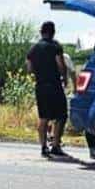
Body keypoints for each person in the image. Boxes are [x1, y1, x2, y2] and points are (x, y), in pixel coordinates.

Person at [25, 20, 72, 157]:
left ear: (41, 32)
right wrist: (64, 77)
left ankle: (43, 147)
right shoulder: (55, 46)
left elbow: (29, 68)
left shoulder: (33, 49)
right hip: (54, 85)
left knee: (43, 117)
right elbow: (61, 64)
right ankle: (56, 145)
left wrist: (38, 74)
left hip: (40, 86)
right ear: (53, 32)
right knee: (61, 116)